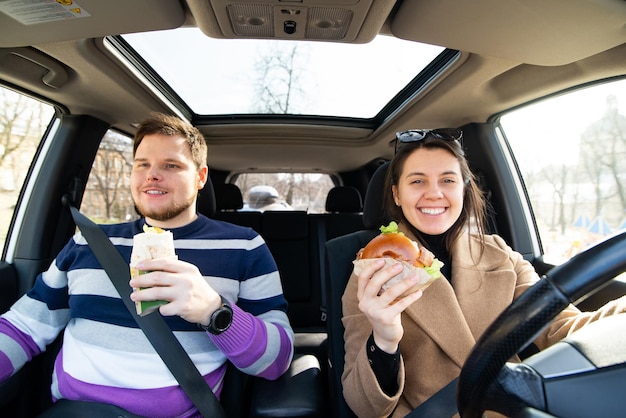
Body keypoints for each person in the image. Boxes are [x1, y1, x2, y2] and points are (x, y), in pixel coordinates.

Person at [0, 113, 294, 417]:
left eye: (171, 165)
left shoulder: (244, 247)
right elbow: (24, 327)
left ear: (200, 177)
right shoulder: (87, 243)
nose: (152, 175)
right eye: (142, 164)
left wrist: (213, 310)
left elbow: (277, 361)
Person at [341, 128, 626, 418]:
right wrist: (384, 341)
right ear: (397, 195)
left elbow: (560, 328)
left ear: (463, 189)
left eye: (448, 180)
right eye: (417, 181)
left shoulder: (500, 255)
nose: (434, 193)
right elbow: (364, 407)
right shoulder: (370, 272)